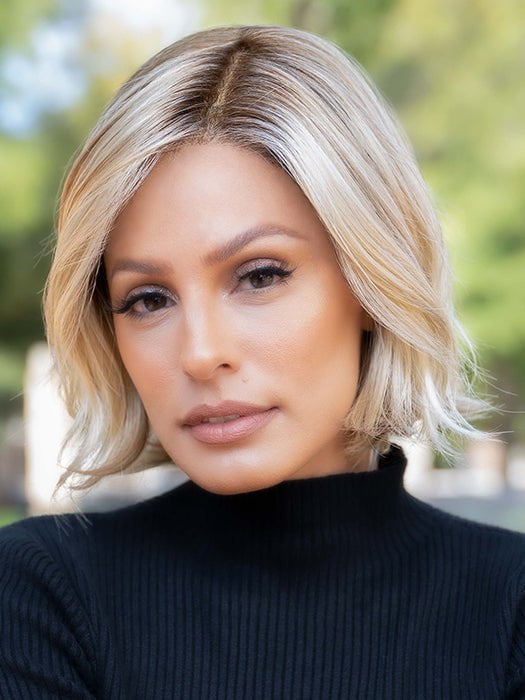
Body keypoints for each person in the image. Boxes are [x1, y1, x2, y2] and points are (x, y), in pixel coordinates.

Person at [0, 24, 523, 699]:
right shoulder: (42, 595)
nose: (201, 354)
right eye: (148, 298)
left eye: (259, 275)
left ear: (370, 282)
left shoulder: (508, 608)